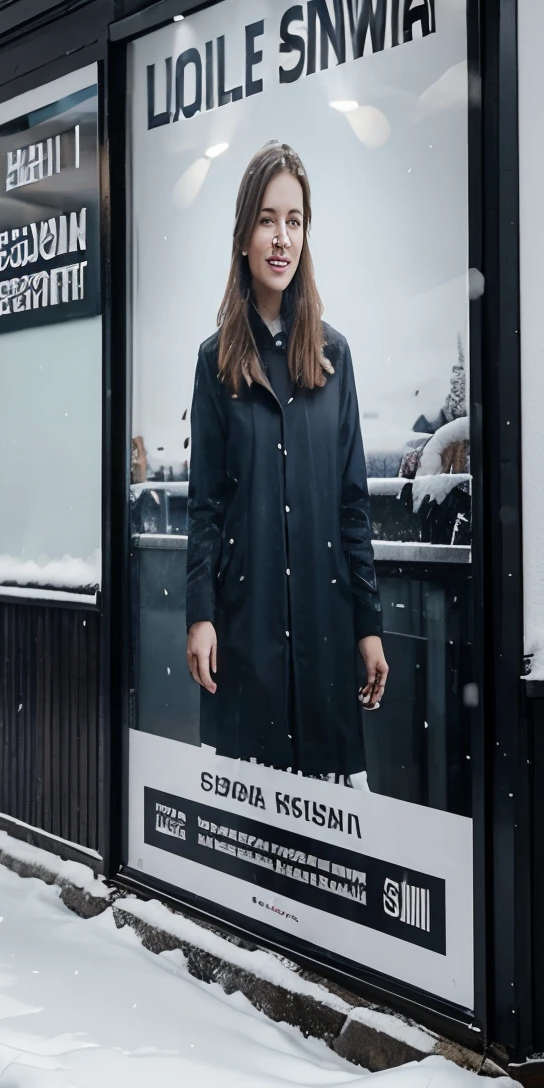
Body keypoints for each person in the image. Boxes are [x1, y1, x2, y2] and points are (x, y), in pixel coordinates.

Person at [185, 142, 388, 780]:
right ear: (244, 235)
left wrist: (368, 625)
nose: (282, 238)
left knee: (327, 850)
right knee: (251, 846)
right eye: (268, 220)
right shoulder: (216, 362)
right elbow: (206, 506)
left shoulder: (336, 357)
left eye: (294, 221)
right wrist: (200, 615)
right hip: (246, 641)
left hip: (327, 642)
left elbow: (352, 504)